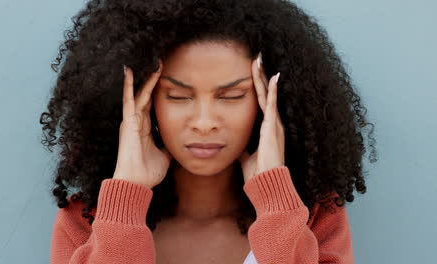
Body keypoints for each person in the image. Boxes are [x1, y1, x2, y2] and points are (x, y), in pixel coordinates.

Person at [42, 0, 377, 263]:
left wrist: (277, 204)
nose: (204, 122)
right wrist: (126, 199)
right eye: (178, 96)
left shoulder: (313, 217)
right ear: (144, 105)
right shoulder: (84, 223)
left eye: (231, 96)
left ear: (268, 103)